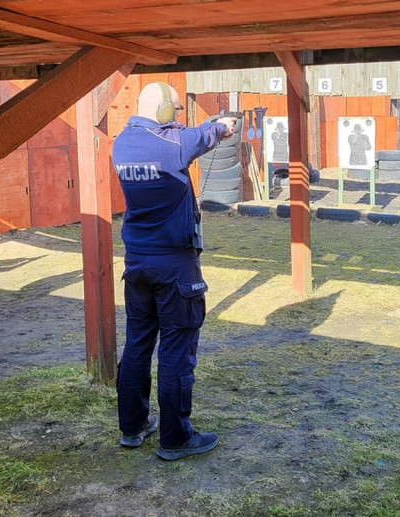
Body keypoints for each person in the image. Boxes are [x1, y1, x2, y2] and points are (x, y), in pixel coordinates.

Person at [111, 81, 237, 461]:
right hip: (174, 266)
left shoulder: (122, 142)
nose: (179, 117)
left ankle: (133, 427)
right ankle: (175, 437)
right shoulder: (173, 144)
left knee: (137, 347)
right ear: (165, 110)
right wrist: (224, 124)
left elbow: (183, 137)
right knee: (176, 353)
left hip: (137, 262)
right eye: (177, 110)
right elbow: (201, 136)